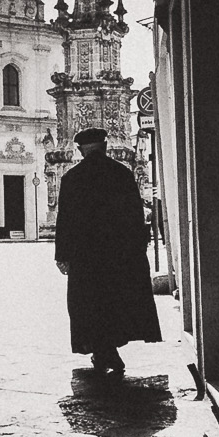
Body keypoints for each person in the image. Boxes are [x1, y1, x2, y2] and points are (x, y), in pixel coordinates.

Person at [52, 127, 161, 377]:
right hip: (118, 255)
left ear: (81, 150)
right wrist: (138, 249)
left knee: (89, 304)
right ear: (104, 146)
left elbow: (65, 220)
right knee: (115, 301)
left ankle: (102, 349)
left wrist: (62, 255)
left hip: (86, 257)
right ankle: (107, 347)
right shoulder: (121, 173)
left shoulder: (72, 178)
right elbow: (135, 215)